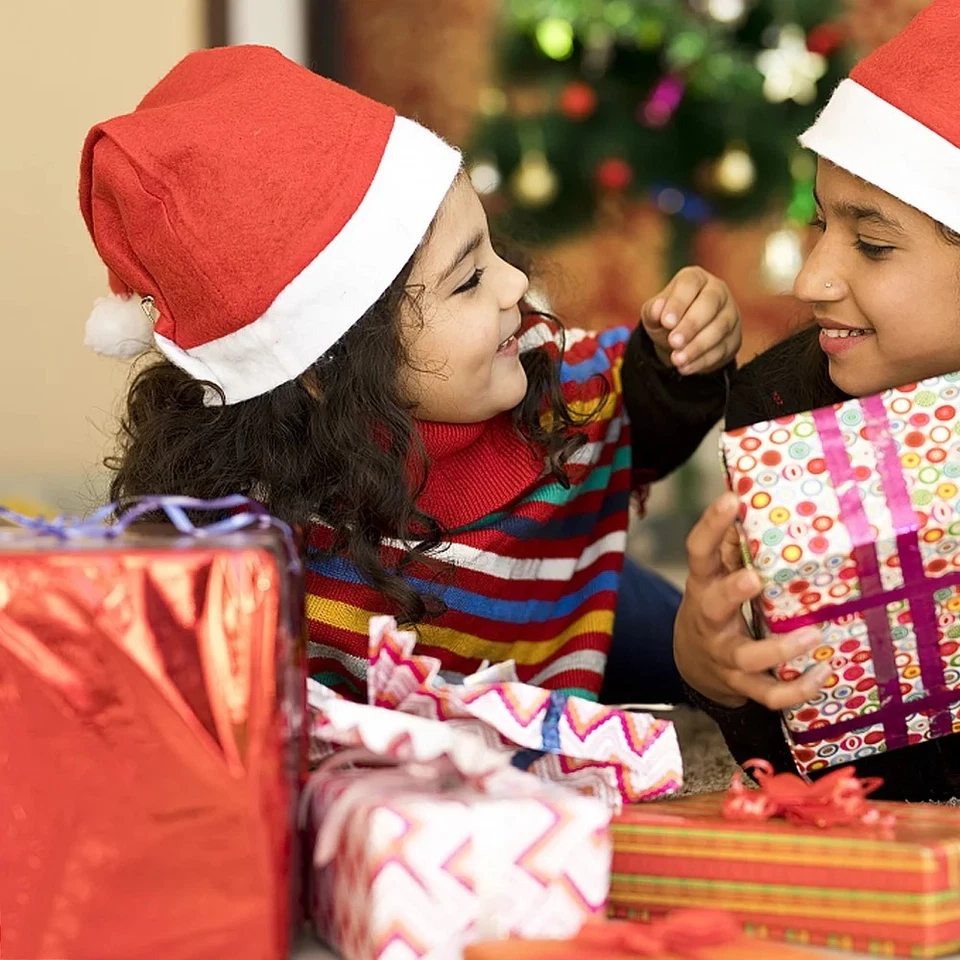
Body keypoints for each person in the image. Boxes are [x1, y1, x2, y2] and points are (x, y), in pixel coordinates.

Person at [81, 44, 741, 704]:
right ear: (334, 364)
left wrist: (680, 355)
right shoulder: (270, 547)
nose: (517, 284)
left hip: (578, 603)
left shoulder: (531, 360)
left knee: (724, 656)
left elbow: (634, 414)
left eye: (493, 248)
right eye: (470, 280)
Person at [674, 0, 960, 800]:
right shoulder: (780, 412)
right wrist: (714, 663)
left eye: (872, 245)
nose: (810, 281)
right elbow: (823, 759)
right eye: (819, 224)